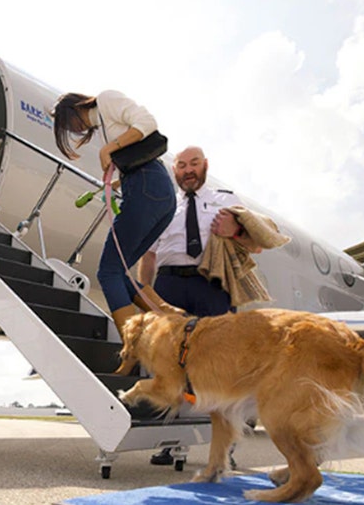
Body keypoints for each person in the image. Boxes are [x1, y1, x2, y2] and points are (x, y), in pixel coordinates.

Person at [137, 145, 260, 466]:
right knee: (168, 366)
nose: (188, 170)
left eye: (193, 164)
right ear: (174, 170)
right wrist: (146, 298)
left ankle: (224, 447)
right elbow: (148, 256)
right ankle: (167, 441)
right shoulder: (162, 206)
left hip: (212, 286)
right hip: (168, 285)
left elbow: (256, 243)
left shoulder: (225, 199)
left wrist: (235, 230)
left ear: (204, 165)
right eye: (181, 165)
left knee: (220, 367)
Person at [50, 90, 175, 333]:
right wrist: (117, 180)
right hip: (156, 191)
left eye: (68, 123)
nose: (74, 130)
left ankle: (133, 346)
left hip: (146, 186)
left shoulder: (106, 99)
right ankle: (171, 319)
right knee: (119, 272)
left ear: (75, 108)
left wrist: (108, 150)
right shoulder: (105, 125)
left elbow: (147, 123)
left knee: (107, 272)